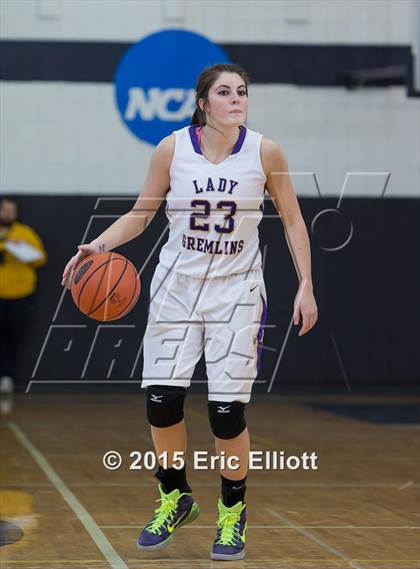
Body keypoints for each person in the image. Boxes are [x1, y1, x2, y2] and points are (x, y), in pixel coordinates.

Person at [61, 63, 318, 561]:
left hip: (237, 293)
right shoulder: (173, 148)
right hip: (177, 290)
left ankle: (232, 513)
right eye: (225, 92)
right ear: (204, 102)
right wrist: (97, 245)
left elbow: (293, 220)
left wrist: (306, 284)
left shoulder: (265, 151)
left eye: (242, 91)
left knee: (225, 413)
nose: (237, 98)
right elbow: (141, 214)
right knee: (161, 401)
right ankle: (174, 496)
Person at [0, 197, 47, 393]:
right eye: (6, 210)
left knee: (15, 336)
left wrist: (20, 249)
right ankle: (3, 375)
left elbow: (41, 258)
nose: (9, 213)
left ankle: (10, 376)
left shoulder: (24, 233)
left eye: (13, 210)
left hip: (20, 295)